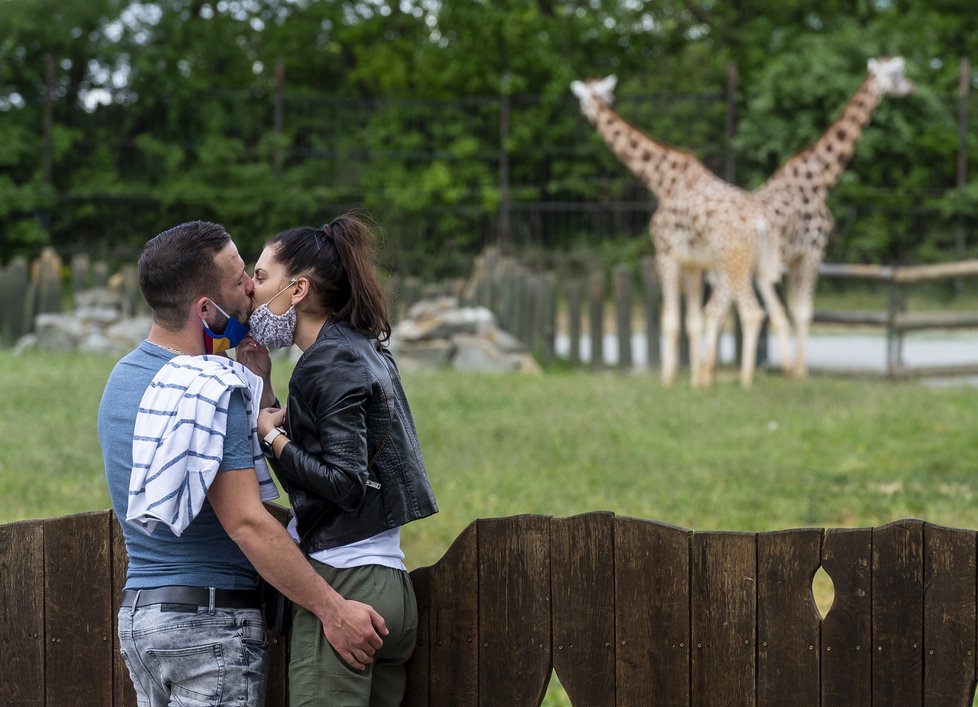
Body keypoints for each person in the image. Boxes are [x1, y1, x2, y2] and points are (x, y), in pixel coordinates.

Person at [98, 220, 388, 706]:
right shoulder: (209, 390)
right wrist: (334, 610)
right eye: (239, 282)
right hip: (208, 625)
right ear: (206, 310)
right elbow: (247, 522)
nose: (252, 288)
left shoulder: (122, 381)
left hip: (141, 621)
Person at [236, 213, 438, 706]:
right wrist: (265, 387)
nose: (250, 292)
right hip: (389, 585)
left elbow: (344, 482)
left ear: (298, 290)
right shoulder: (365, 350)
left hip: (345, 582)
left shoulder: (323, 362)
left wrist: (271, 437)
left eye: (260, 278)